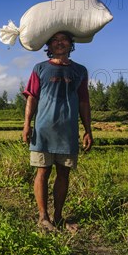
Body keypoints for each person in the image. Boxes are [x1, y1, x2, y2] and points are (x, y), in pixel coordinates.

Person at [22, 31, 93, 232]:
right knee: (42, 171)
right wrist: (27, 124)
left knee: (64, 174)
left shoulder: (80, 71)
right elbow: (32, 98)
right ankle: (43, 217)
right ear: (48, 46)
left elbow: (84, 101)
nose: (59, 42)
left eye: (63, 39)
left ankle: (59, 217)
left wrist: (88, 130)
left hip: (68, 132)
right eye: (54, 39)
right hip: (43, 130)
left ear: (71, 44)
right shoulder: (40, 69)